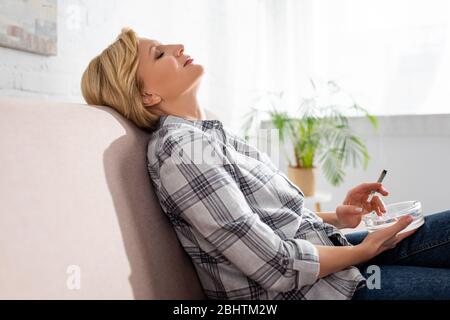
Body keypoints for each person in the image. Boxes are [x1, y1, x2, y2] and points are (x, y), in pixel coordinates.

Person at [81, 28, 450, 300]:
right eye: (160, 55)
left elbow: (268, 223)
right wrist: (363, 251)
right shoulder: (182, 150)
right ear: (148, 94)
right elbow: (274, 265)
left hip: (330, 263)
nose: (179, 47)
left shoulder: (212, 133)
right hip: (310, 292)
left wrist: (339, 217)